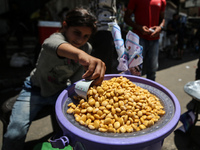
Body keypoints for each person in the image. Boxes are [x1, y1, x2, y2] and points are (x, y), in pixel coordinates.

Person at [2, 7, 106, 150]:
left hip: (60, 91)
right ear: (64, 26)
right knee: (14, 134)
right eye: (77, 32)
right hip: (34, 90)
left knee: (70, 129)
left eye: (86, 36)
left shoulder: (86, 48)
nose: (80, 39)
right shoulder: (56, 38)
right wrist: (81, 56)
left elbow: (77, 80)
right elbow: (52, 45)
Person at [124, 0, 166, 81]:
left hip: (154, 39)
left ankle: (150, 91)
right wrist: (139, 27)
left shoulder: (162, 1)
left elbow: (162, 19)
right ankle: (133, 91)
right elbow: (126, 17)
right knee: (136, 70)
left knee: (153, 69)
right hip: (138, 39)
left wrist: (160, 27)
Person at [89, 0, 119, 74]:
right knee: (98, 60)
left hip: (105, 28)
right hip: (96, 28)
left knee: (104, 62)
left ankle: (104, 80)